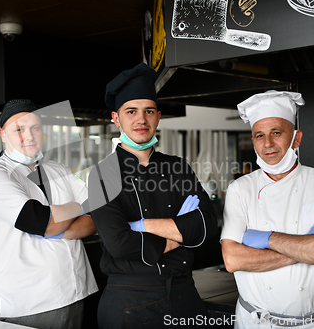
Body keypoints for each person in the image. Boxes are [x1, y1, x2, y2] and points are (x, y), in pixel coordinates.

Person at [88, 63, 218, 328]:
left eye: (148, 111)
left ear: (158, 116)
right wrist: (178, 235)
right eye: (131, 111)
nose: (141, 120)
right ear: (116, 118)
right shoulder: (103, 174)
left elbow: (206, 226)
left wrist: (143, 227)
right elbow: (120, 244)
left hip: (185, 296)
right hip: (129, 301)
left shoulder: (177, 167)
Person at [220, 90, 314, 329]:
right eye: (259, 135)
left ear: (296, 138)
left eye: (276, 133)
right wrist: (309, 245)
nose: (268, 143)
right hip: (257, 322)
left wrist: (267, 239)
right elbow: (232, 259)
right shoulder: (240, 189)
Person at [0, 99, 98, 329]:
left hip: (74, 293)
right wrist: (77, 207)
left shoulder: (57, 169)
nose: (28, 136)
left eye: (35, 128)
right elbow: (43, 222)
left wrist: (61, 225)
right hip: (23, 304)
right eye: (18, 129)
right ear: (2, 134)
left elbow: (97, 214)